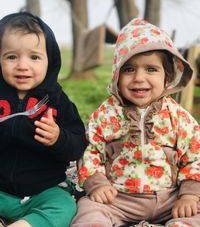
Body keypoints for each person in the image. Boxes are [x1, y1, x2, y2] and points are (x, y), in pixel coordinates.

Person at [71, 18, 200, 227]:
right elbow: (90, 151)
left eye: (151, 69)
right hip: (119, 198)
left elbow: (195, 156)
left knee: (195, 212)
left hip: (170, 197)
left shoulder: (178, 116)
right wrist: (97, 184)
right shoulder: (106, 115)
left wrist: (189, 195)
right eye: (129, 69)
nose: (139, 78)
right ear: (116, 75)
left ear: (167, 77)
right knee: (88, 208)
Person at [0, 12, 87, 227]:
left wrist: (59, 138)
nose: (22, 65)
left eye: (34, 57)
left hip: (44, 190)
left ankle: (26, 224)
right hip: (1, 189)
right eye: (12, 57)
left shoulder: (57, 100)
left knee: (65, 207)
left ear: (50, 60)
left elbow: (78, 145)